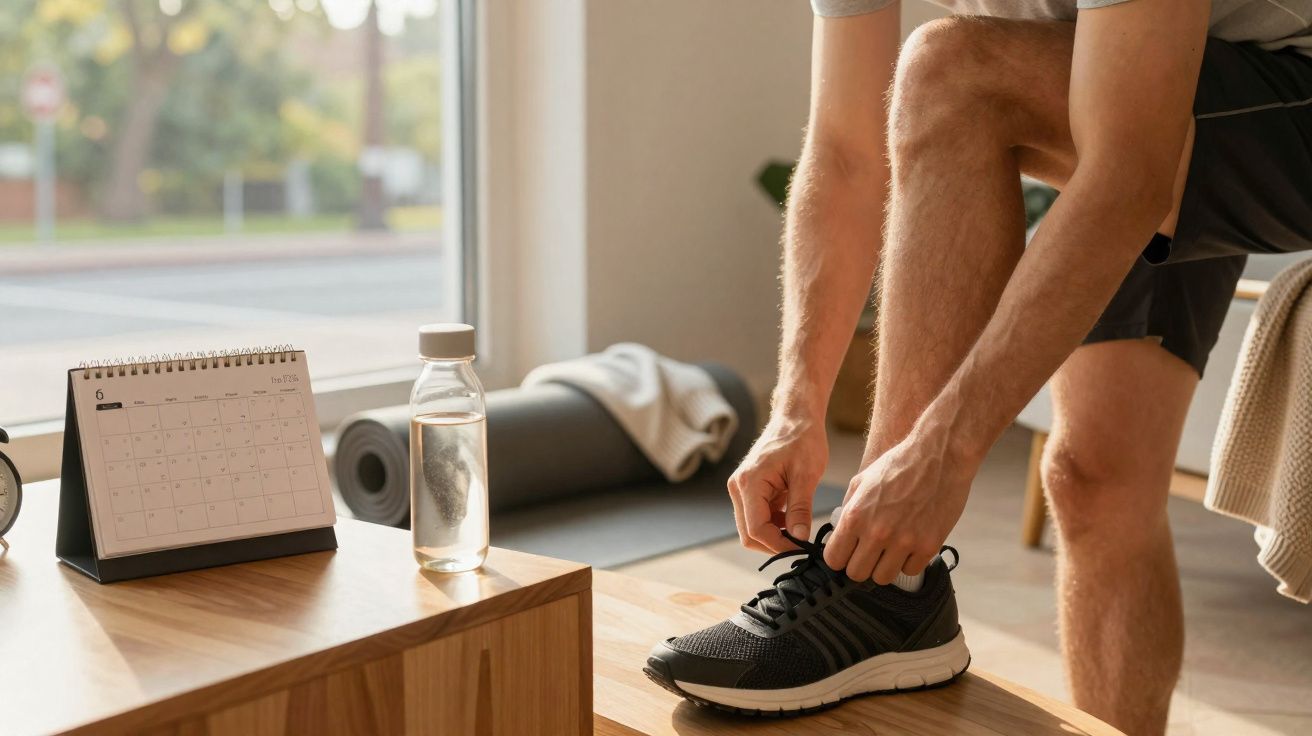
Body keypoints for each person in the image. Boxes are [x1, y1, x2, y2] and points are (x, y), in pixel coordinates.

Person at [653, 1, 1312, 734]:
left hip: (1279, 81)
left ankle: (878, 580)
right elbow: (844, 150)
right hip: (1145, 69)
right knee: (1095, 478)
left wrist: (941, 450)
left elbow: (1130, 174)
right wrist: (796, 407)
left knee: (954, 72)